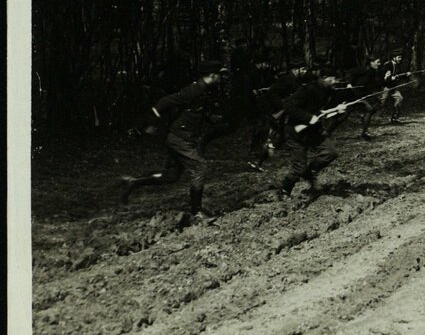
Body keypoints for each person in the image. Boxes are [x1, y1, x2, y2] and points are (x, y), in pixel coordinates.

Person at [118, 60, 228, 217]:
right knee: (200, 167)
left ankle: (133, 182)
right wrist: (149, 124)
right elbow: (163, 102)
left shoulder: (206, 90)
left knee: (171, 176)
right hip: (179, 138)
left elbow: (194, 111)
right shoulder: (195, 89)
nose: (221, 78)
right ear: (212, 75)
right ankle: (197, 210)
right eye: (220, 75)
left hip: (182, 137)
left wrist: (211, 117)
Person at [279, 67, 350, 197]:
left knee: (330, 152)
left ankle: (310, 173)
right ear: (324, 78)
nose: (336, 82)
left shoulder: (329, 92)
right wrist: (308, 117)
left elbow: (325, 110)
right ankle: (285, 191)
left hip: (312, 131)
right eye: (333, 79)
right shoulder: (307, 89)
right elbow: (288, 106)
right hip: (295, 133)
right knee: (298, 167)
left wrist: (338, 110)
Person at [247, 59, 313, 170]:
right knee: (272, 138)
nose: (305, 71)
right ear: (295, 69)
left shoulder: (295, 80)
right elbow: (272, 93)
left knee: (279, 139)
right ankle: (257, 161)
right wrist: (282, 105)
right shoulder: (286, 79)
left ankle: (259, 161)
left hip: (284, 114)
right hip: (276, 113)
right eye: (303, 69)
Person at [347, 55, 382, 140]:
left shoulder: (374, 72)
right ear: (371, 63)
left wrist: (385, 79)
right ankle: (364, 131)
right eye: (378, 62)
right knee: (370, 109)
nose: (379, 64)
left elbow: (375, 83)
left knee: (376, 106)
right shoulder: (364, 69)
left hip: (364, 93)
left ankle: (363, 126)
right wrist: (349, 83)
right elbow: (350, 73)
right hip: (355, 93)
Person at [379, 54, 409, 125]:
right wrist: (390, 78)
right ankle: (368, 115)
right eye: (398, 57)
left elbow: (399, 75)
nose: (400, 59)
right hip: (385, 87)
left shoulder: (397, 65)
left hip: (393, 88)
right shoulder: (387, 65)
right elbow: (381, 76)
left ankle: (394, 119)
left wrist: (406, 74)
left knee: (399, 98)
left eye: (401, 57)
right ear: (393, 58)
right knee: (381, 103)